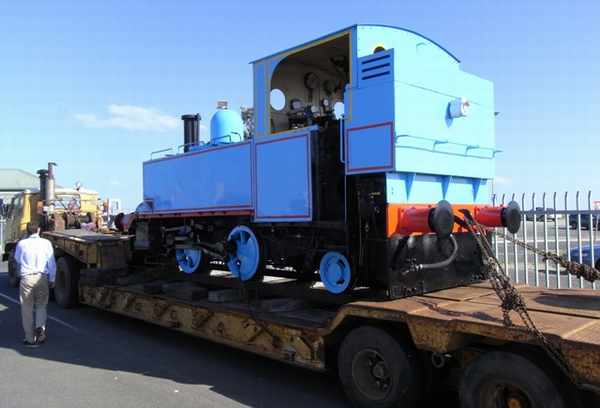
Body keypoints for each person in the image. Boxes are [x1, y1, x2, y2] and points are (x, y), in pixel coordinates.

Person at [14, 224, 56, 347]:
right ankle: (40, 330)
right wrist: (52, 279)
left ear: (27, 231)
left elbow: (17, 259)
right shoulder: (46, 243)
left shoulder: (22, 244)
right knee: (41, 305)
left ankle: (29, 338)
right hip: (41, 277)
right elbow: (51, 262)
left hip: (27, 278)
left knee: (26, 307)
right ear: (39, 230)